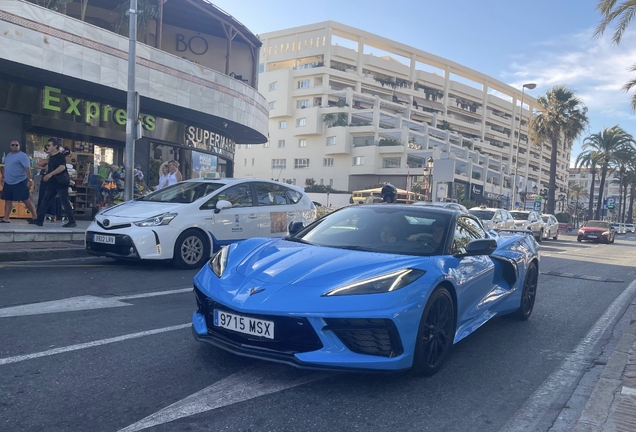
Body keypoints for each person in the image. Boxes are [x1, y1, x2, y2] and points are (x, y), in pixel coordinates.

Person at [30, 138, 76, 227]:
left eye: (50, 145)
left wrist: (50, 174)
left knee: (64, 201)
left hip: (61, 182)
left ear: (55, 146)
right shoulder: (51, 157)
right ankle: (39, 220)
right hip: (53, 182)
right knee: (45, 200)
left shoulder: (60, 156)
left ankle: (72, 221)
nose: (48, 146)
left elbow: (62, 167)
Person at [0, 139, 38, 223]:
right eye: (12, 145)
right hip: (8, 181)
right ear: (10, 146)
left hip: (20, 181)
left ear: (19, 146)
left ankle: (35, 216)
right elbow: (5, 167)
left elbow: (27, 169)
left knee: (25, 199)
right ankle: (6, 218)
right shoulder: (8, 155)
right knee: (8, 199)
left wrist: (29, 180)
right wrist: (3, 177)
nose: (14, 146)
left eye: (16, 145)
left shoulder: (23, 156)